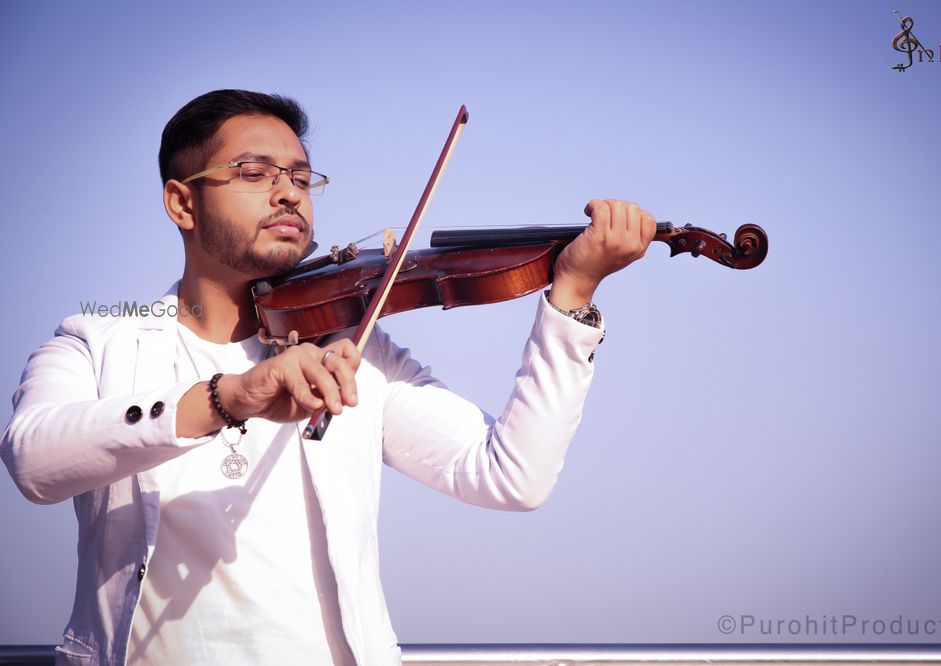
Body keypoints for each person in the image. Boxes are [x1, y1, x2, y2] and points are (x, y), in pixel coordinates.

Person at [1, 89, 656, 666]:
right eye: (254, 172)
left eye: (303, 177)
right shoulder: (97, 341)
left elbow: (512, 476)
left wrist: (571, 294)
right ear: (182, 202)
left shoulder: (353, 350)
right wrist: (232, 397)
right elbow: (33, 460)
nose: (289, 191)